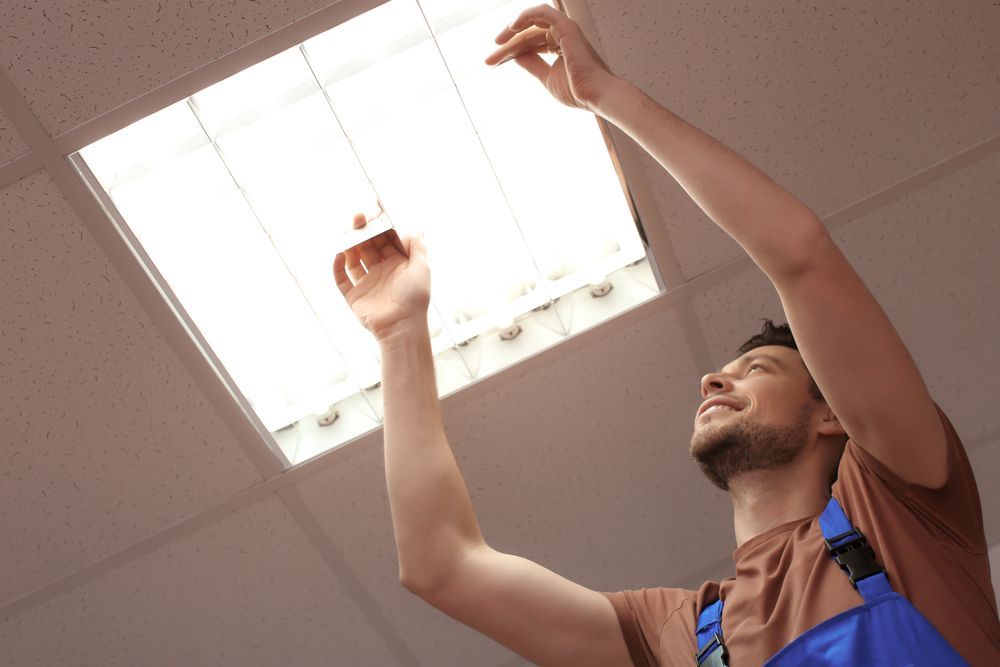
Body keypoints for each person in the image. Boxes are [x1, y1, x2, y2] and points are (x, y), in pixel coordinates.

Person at [332, 5, 999, 665]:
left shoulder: (901, 502)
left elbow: (800, 254)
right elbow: (441, 564)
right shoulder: (678, 633)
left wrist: (606, 95)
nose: (713, 378)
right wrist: (399, 334)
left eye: (758, 368)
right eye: (727, 372)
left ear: (832, 415)